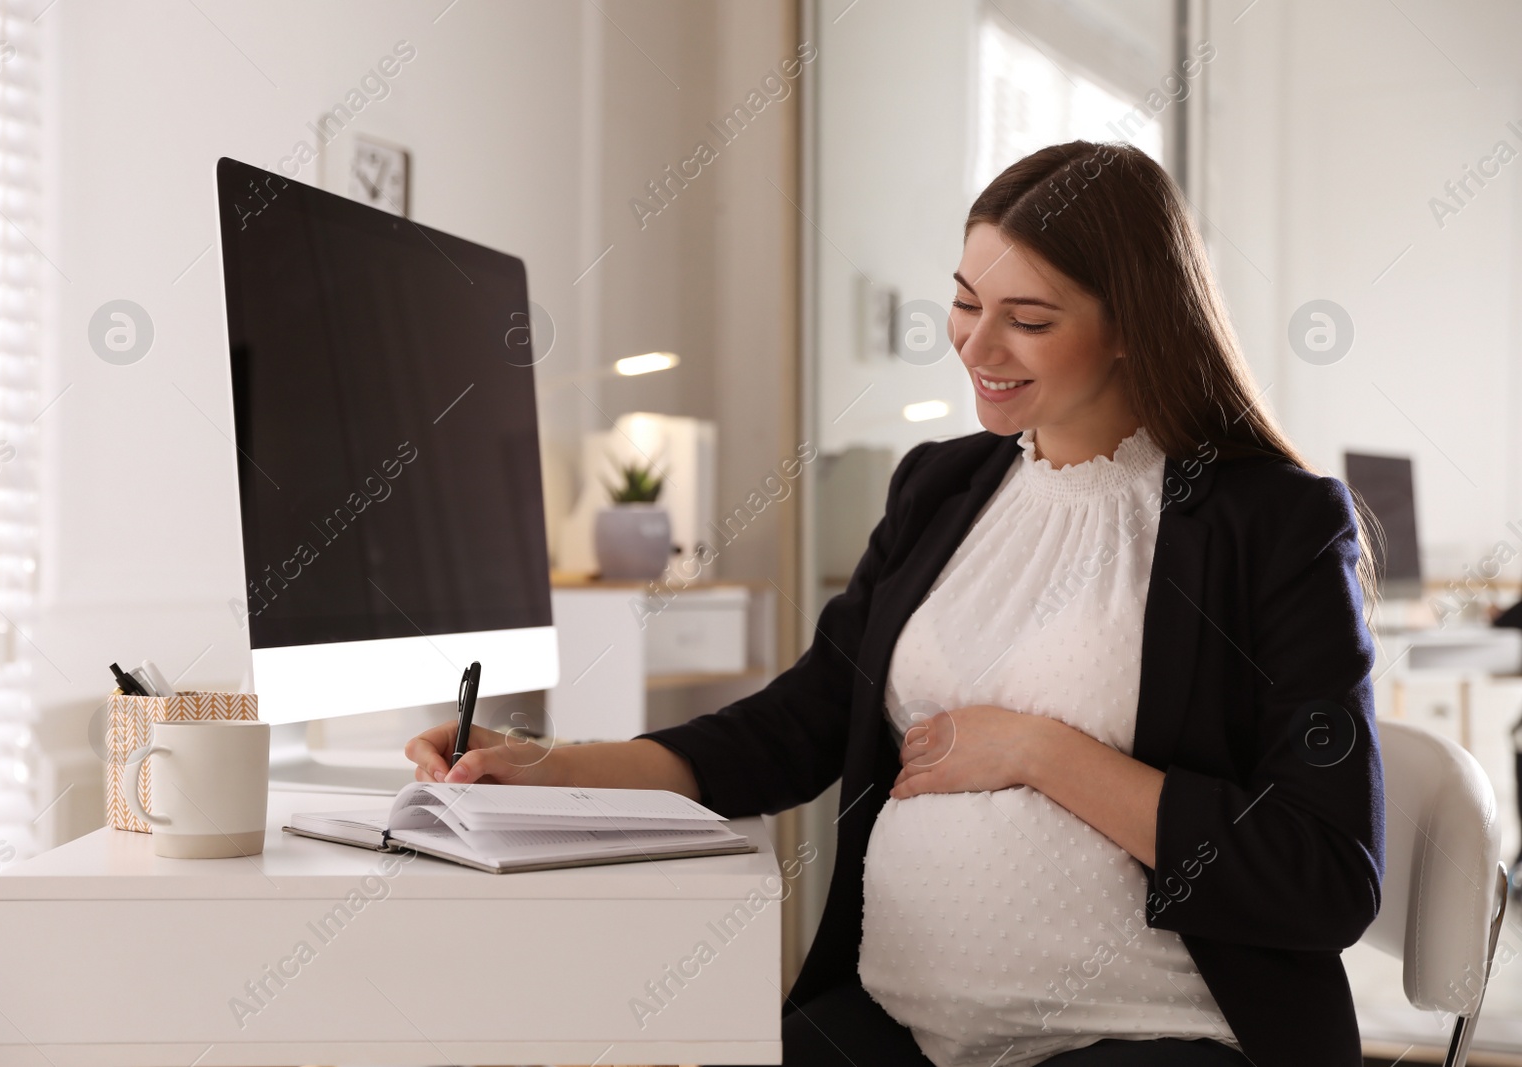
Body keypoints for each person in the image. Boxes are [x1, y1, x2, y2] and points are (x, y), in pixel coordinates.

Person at [406, 140, 1386, 1067]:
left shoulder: (1272, 523)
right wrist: (544, 763)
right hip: (900, 1024)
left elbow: (1322, 871)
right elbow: (793, 725)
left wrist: (1038, 751)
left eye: (1029, 318)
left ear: (1134, 324)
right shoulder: (941, 488)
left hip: (1159, 1032)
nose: (977, 344)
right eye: (965, 302)